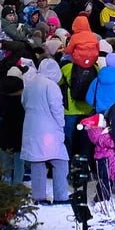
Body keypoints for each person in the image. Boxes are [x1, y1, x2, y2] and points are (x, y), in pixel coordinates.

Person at [22, 58, 70, 204]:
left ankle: (38, 196)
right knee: (60, 161)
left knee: (37, 162)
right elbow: (56, 108)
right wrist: (61, 124)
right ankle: (61, 196)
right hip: (49, 129)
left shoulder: (29, 84)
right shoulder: (51, 85)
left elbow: (23, 103)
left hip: (31, 127)